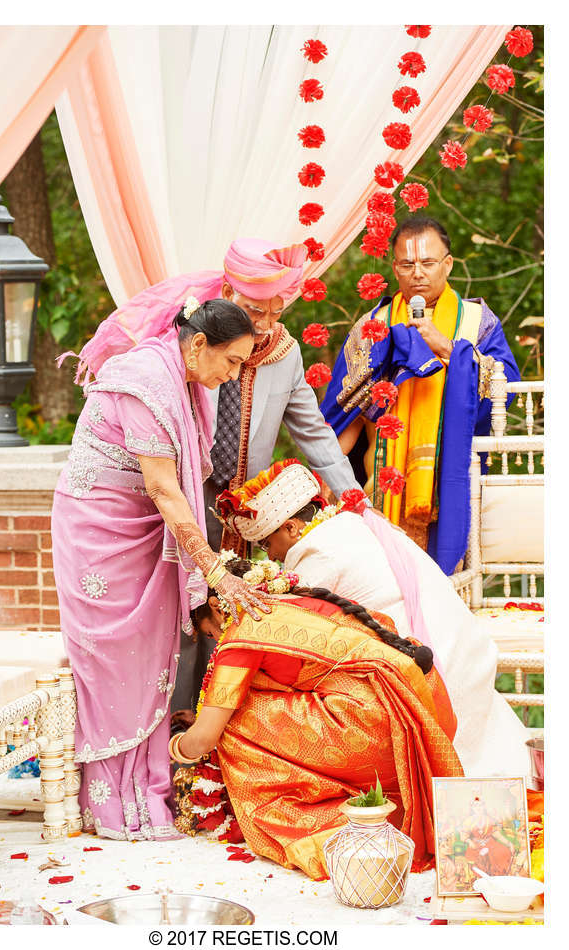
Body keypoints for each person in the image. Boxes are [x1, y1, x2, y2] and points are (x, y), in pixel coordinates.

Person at [63, 238, 368, 716]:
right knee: (180, 618)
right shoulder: (180, 343)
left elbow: (314, 433)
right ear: (226, 293)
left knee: (228, 620)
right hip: (179, 497)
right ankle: (170, 731)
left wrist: (354, 499)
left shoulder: (284, 354)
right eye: (254, 311)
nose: (265, 325)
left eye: (275, 312)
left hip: (241, 509)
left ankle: (216, 746)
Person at [51, 298, 270, 841]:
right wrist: (216, 573)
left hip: (142, 528)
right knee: (113, 663)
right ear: (199, 344)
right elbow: (163, 489)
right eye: (233, 361)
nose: (233, 374)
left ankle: (146, 793)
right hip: (101, 532)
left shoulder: (184, 380)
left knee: (149, 660)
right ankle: (110, 804)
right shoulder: (145, 382)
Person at [213, 460, 530, 778]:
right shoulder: (349, 525)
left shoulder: (315, 553)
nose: (271, 557)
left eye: (268, 544)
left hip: (434, 672)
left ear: (292, 527)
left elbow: (288, 635)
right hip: (461, 647)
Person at [169, 559, 463, 879]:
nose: (215, 640)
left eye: (209, 632)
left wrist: (171, 744)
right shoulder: (296, 599)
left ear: (216, 605)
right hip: (422, 710)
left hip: (375, 725)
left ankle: (304, 819)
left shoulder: (243, 628)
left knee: (234, 722)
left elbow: (205, 738)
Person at [320, 215, 520, 574]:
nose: (418, 273)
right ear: (394, 268)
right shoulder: (373, 326)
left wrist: (446, 347)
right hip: (382, 484)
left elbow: (506, 391)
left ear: (448, 265)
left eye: (428, 263)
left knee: (447, 592)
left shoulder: (477, 321)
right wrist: (324, 481)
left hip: (452, 481)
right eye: (408, 264)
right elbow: (345, 411)